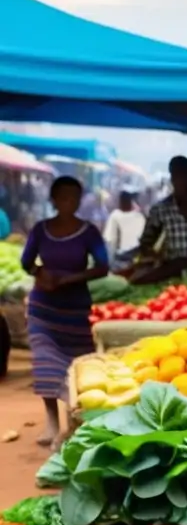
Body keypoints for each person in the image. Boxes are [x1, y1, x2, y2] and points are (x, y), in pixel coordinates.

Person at [21, 177, 109, 445]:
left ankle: (72, 421)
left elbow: (103, 266)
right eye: (64, 197)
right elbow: (26, 261)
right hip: (43, 308)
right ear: (54, 200)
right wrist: (40, 272)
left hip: (75, 310)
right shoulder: (40, 229)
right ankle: (51, 421)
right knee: (45, 360)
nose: (69, 202)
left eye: (75, 197)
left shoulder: (89, 232)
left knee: (76, 366)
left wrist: (67, 279)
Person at [134, 156, 187, 281]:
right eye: (176, 176)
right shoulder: (161, 209)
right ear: (171, 178)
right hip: (174, 277)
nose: (180, 181)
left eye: (184, 176)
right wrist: (158, 257)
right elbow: (145, 243)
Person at [103, 191, 146, 271]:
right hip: (136, 259)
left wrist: (109, 265)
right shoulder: (140, 217)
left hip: (122, 260)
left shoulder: (115, 216)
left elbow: (111, 242)